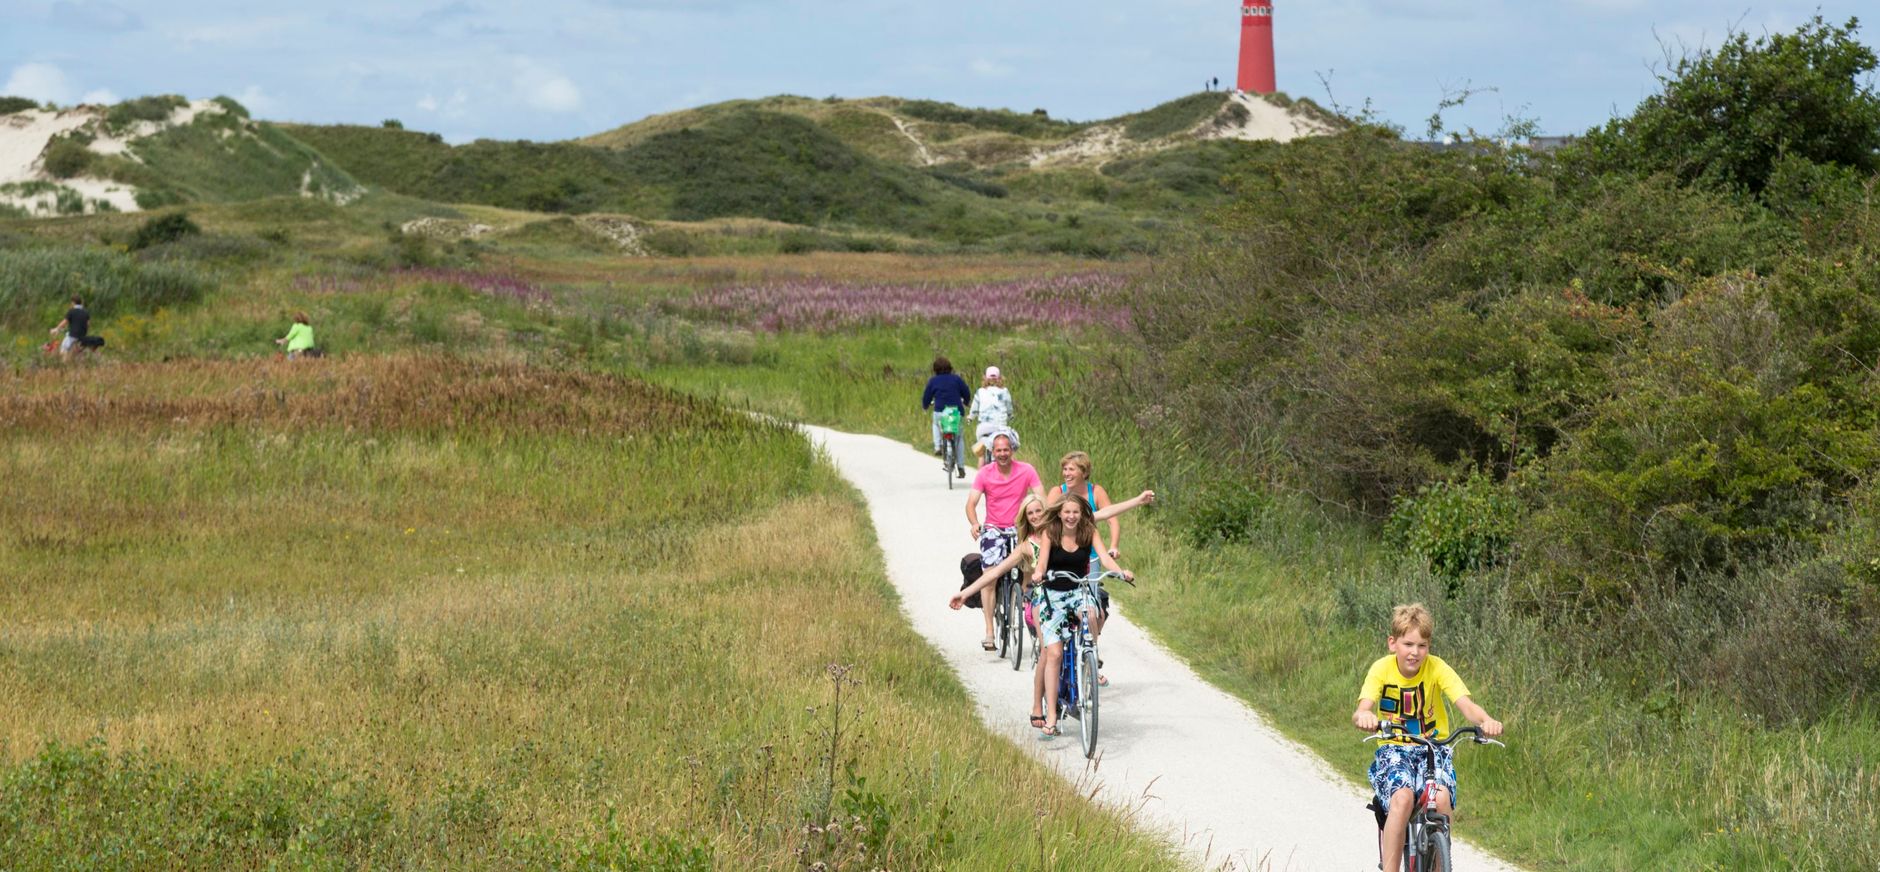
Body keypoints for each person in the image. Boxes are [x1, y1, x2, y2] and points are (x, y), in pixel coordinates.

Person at [1352, 603, 1504, 872]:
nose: (1415, 652)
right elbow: (1363, 707)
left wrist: (1486, 721)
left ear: (1429, 646)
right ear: (1393, 643)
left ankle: (1439, 864)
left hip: (1434, 749)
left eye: (1422, 645)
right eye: (1408, 644)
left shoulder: (1437, 668)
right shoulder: (1381, 669)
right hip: (1394, 748)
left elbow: (1466, 704)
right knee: (1402, 798)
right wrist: (1365, 716)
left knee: (1442, 799)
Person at [1030, 494, 1130, 739]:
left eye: (1076, 512)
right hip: (1052, 595)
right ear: (1060, 514)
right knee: (1053, 654)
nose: (1071, 517)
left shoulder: (1088, 532)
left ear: (1082, 513)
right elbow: (1041, 563)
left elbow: (1104, 558)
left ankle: (1090, 652)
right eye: (1067, 512)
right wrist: (1038, 574)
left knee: (1091, 612)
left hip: (1078, 590)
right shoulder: (1050, 533)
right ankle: (1051, 716)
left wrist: (1120, 572)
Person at [962, 430, 1045, 651]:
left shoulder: (1026, 470)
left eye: (1006, 450)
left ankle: (1028, 610)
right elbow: (971, 504)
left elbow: (1041, 496)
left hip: (1019, 527)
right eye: (998, 450)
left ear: (1013, 450)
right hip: (992, 529)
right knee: (989, 577)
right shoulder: (984, 473)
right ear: (992, 451)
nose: (1002, 454)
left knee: (1031, 566)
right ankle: (990, 630)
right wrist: (974, 523)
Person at [1049, 451, 1119, 571]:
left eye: (1071, 469)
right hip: (1062, 552)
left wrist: (1114, 546)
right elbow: (1048, 522)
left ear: (1084, 472)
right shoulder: (1057, 492)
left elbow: (1112, 520)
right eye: (1065, 469)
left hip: (1090, 553)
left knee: (1091, 589)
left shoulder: (1096, 492)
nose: (1066, 474)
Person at [921, 355, 972, 473]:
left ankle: (938, 446)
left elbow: (927, 396)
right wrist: (966, 401)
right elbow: (966, 392)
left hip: (940, 411)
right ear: (950, 368)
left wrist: (925, 406)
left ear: (935, 369)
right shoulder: (956, 379)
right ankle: (961, 466)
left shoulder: (933, 381)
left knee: (935, 424)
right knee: (959, 438)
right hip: (955, 412)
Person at [965, 366, 1014, 467]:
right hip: (1000, 427)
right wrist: (1010, 416)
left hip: (983, 428)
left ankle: (980, 479)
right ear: (999, 378)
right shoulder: (1004, 391)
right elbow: (1009, 408)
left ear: (985, 378)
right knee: (1007, 448)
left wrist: (970, 417)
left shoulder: (980, 392)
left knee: (982, 454)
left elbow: (974, 409)